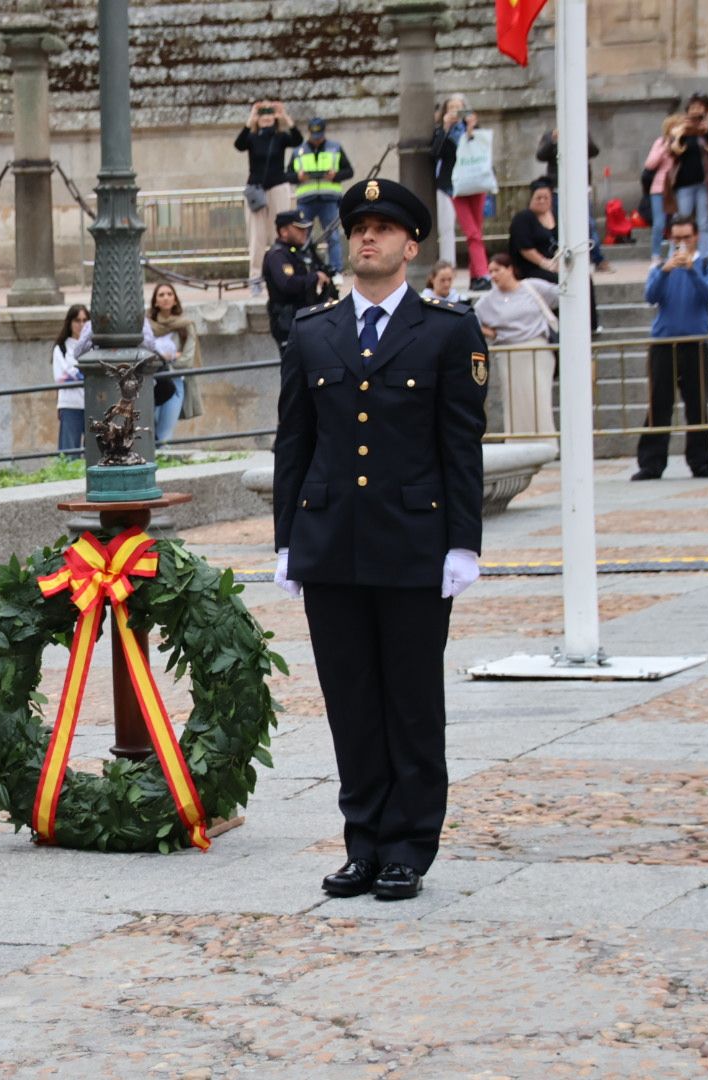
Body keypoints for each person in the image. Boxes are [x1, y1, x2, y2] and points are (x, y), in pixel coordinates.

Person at [272, 178, 488, 902]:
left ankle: (408, 845)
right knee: (352, 701)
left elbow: (461, 447)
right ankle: (363, 840)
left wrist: (464, 543)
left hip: (414, 544)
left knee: (411, 701)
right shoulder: (312, 332)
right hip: (331, 543)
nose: (368, 237)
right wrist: (286, 542)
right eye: (358, 227)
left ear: (411, 244)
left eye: (384, 229)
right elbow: (293, 445)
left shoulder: (448, 331)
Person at [634, 216, 708, 481]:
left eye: (686, 237)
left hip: (695, 344)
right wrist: (665, 271)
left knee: (697, 405)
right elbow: (651, 296)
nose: (681, 243)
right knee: (659, 403)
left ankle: (701, 462)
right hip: (664, 344)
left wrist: (691, 270)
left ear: (696, 236)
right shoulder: (660, 267)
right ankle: (651, 463)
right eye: (677, 238)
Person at [473, 253, 560, 436]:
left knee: (539, 397)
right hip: (509, 352)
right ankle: (518, 442)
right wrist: (492, 333)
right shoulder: (488, 299)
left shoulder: (532, 287)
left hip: (538, 348)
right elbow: (472, 320)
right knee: (515, 400)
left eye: (498, 270)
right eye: (490, 272)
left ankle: (546, 441)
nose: (494, 275)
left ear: (510, 269)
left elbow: (560, 293)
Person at [236, 99, 304, 291]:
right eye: (262, 116)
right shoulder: (252, 138)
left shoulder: (280, 137)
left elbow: (298, 140)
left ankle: (278, 273)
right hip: (257, 189)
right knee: (256, 236)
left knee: (280, 232)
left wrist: (284, 116)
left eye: (269, 116)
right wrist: (250, 118)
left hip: (278, 186)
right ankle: (255, 277)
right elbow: (239, 144)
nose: (266, 119)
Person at [535, 127, 613, 274]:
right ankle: (557, 258)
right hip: (558, 187)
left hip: (581, 187)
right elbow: (540, 156)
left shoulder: (581, 128)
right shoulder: (549, 135)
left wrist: (581, 137)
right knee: (557, 225)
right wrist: (553, 141)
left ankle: (598, 259)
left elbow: (594, 151)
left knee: (588, 223)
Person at [431, 95, 489, 290]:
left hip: (476, 183)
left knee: (477, 233)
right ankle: (482, 273)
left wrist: (471, 130)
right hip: (454, 187)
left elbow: (483, 150)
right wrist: (445, 128)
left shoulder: (474, 131)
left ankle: (476, 275)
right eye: (452, 108)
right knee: (470, 232)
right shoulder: (442, 132)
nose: (456, 111)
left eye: (460, 108)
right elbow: (435, 153)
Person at [663, 94, 708, 255]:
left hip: (706, 183)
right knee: (680, 222)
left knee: (704, 223)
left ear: (705, 109)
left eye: (699, 107)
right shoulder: (679, 128)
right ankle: (677, 255)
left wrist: (706, 133)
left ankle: (704, 257)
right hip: (684, 183)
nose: (695, 110)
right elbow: (672, 151)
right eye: (693, 107)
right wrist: (682, 134)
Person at [263, 208, 332, 357]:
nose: (304, 232)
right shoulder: (278, 255)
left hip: (306, 318)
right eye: (299, 229)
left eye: (305, 228)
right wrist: (314, 277)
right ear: (284, 231)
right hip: (287, 322)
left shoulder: (301, 252)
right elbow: (287, 284)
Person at [291, 117, 354, 275]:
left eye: (319, 135)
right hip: (306, 200)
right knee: (303, 238)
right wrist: (298, 177)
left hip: (329, 200)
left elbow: (349, 171)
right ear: (309, 133)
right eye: (314, 135)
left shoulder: (335, 148)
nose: (316, 139)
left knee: (332, 237)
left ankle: (336, 270)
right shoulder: (298, 151)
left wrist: (335, 175)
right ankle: (306, 269)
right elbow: (287, 175)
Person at [148, 282, 201, 444]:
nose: (166, 298)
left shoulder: (185, 325)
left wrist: (163, 360)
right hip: (150, 382)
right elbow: (144, 354)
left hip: (175, 381)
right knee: (148, 429)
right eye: (161, 295)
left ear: (175, 300)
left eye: (169, 294)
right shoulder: (147, 326)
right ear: (155, 301)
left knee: (164, 432)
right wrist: (170, 356)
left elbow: (187, 360)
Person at [645, 114, 686, 264]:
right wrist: (665, 148)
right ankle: (656, 254)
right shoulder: (661, 142)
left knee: (677, 221)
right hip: (660, 187)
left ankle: (675, 251)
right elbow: (650, 164)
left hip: (678, 187)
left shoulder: (684, 143)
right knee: (659, 223)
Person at [53, 304, 88, 457]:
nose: (81, 325)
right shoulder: (61, 348)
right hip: (70, 404)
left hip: (91, 403)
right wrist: (83, 373)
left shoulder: (93, 346)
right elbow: (61, 378)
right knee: (69, 453)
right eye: (77, 321)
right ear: (70, 322)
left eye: (84, 321)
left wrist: (74, 371)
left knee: (95, 453)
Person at [509, 178, 560, 284]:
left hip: (555, 263)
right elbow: (525, 248)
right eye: (538, 198)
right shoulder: (523, 218)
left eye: (546, 198)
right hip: (531, 268)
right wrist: (544, 263)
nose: (542, 201)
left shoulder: (557, 216)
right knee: (558, 280)